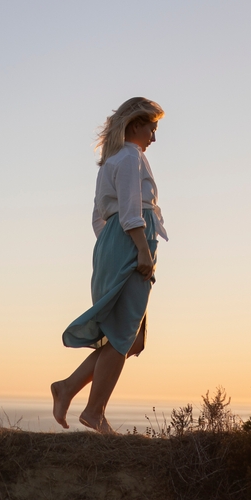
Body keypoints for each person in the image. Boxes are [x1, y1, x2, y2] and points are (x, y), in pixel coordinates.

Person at [51, 97, 167, 433]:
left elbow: (99, 218)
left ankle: (68, 387)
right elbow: (131, 212)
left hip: (115, 243)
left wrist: (113, 244)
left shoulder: (111, 161)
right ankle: (94, 412)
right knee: (122, 336)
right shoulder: (131, 157)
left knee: (131, 339)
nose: (154, 138)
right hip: (130, 242)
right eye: (151, 128)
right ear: (135, 126)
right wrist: (140, 249)